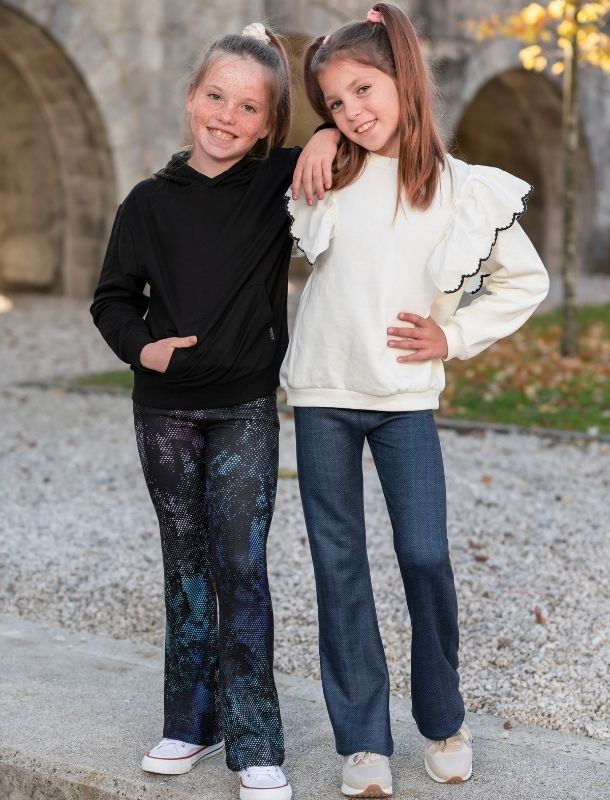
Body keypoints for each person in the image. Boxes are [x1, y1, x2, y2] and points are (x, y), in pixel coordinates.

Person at [282, 4, 550, 796]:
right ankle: (363, 741)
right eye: (334, 103)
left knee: (425, 554)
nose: (351, 112)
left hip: (404, 400)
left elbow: (525, 281)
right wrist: (320, 138)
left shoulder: (465, 189)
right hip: (323, 392)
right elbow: (258, 164)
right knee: (339, 565)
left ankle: (443, 721)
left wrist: (453, 335)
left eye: (363, 90)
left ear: (403, 78)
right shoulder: (326, 174)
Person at [90, 22, 339, 800]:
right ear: (191, 97)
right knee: (187, 565)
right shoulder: (146, 203)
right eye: (216, 97)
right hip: (163, 412)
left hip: (242, 411)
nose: (227, 117)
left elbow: (356, 125)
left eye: (249, 107)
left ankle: (256, 739)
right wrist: (145, 349)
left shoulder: (277, 184)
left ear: (269, 124)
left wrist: (324, 131)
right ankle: (192, 722)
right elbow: (111, 298)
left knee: (242, 567)